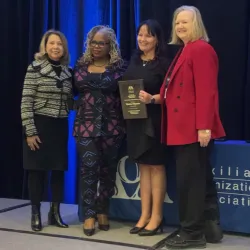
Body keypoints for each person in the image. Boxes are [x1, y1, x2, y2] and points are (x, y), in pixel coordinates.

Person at [160, 6, 225, 249]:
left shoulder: (200, 49)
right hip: (183, 128)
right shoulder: (186, 50)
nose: (180, 27)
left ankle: (192, 233)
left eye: (185, 22)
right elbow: (178, 91)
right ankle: (210, 229)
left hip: (192, 129)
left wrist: (204, 127)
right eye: (177, 22)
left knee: (190, 183)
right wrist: (156, 98)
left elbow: (207, 91)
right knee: (200, 180)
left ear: (196, 24)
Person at [73, 25, 126, 236]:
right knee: (88, 170)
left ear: (110, 45)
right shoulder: (80, 65)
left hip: (112, 127)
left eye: (101, 43)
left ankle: (103, 210)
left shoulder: (120, 68)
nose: (96, 46)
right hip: (85, 127)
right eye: (93, 42)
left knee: (107, 171)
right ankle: (88, 214)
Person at [21, 30, 73, 231]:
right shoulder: (34, 68)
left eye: (59, 44)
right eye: (51, 43)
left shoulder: (68, 71)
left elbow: (69, 99)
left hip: (59, 126)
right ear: (45, 46)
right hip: (39, 125)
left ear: (64, 48)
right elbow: (26, 101)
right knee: (37, 172)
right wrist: (30, 131)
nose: (55, 47)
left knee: (59, 170)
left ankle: (55, 213)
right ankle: (35, 213)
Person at [122, 19, 169, 236]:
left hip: (155, 122)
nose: (143, 39)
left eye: (148, 35)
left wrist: (152, 99)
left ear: (157, 39)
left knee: (156, 167)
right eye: (140, 34)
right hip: (135, 122)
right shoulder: (133, 60)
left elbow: (172, 95)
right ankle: (144, 215)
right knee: (143, 167)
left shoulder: (164, 64)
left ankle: (157, 216)